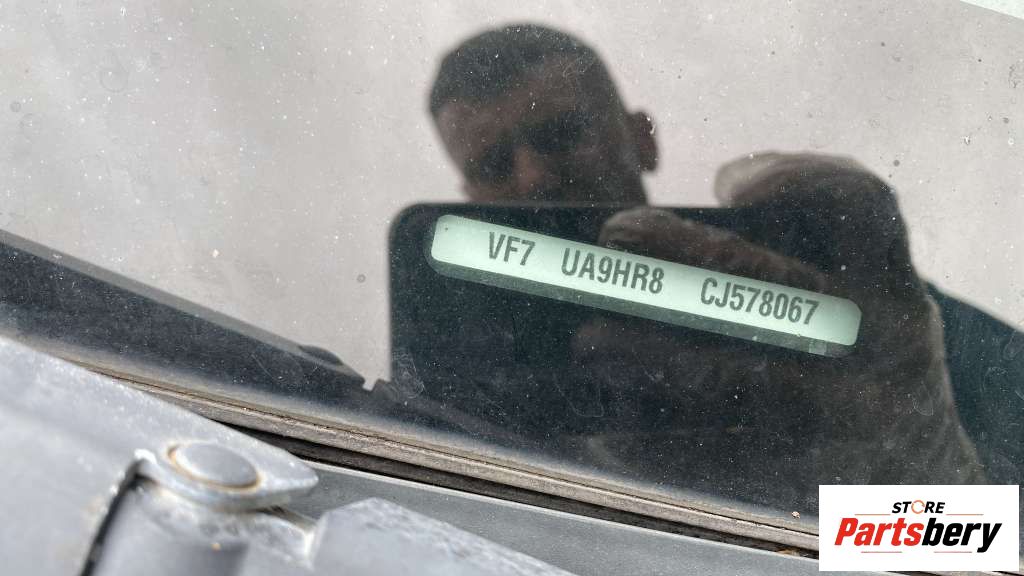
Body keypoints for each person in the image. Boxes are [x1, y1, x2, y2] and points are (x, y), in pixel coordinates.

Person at [422, 23, 1020, 503]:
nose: (534, 176)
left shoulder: (895, 331)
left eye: (562, 134)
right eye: (493, 164)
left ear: (642, 139)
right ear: (469, 198)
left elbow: (990, 546)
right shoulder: (449, 387)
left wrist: (894, 480)